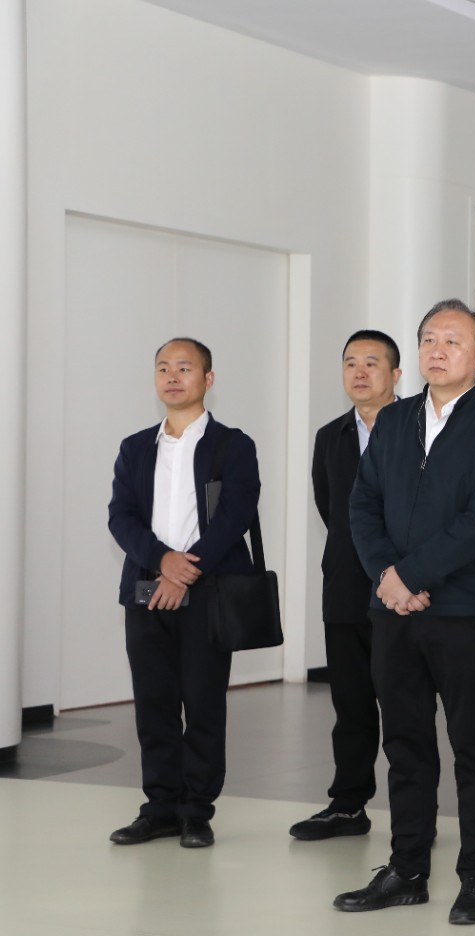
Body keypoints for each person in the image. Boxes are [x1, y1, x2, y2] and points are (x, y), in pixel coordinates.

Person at [334, 299, 475, 926]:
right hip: (393, 611)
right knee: (405, 744)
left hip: (463, 612)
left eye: (453, 341)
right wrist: (388, 578)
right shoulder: (393, 421)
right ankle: (407, 869)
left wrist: (410, 575)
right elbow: (362, 506)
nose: (437, 351)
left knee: (473, 748)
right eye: (428, 340)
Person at [106, 338, 260, 850]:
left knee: (203, 703)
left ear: (208, 379)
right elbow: (121, 517)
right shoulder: (135, 448)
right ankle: (160, 809)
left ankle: (196, 811)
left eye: (185, 368)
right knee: (153, 705)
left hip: (209, 591)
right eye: (163, 368)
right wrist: (160, 562)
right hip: (145, 590)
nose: (172, 377)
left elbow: (235, 516)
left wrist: (182, 570)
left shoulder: (232, 446)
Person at [289, 330, 401, 841]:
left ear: (396, 374)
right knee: (351, 707)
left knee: (404, 710)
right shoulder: (329, 436)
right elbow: (329, 506)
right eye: (350, 362)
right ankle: (348, 807)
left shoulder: (420, 429)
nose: (359, 372)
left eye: (371, 362)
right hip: (345, 589)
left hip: (404, 591)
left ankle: (413, 814)